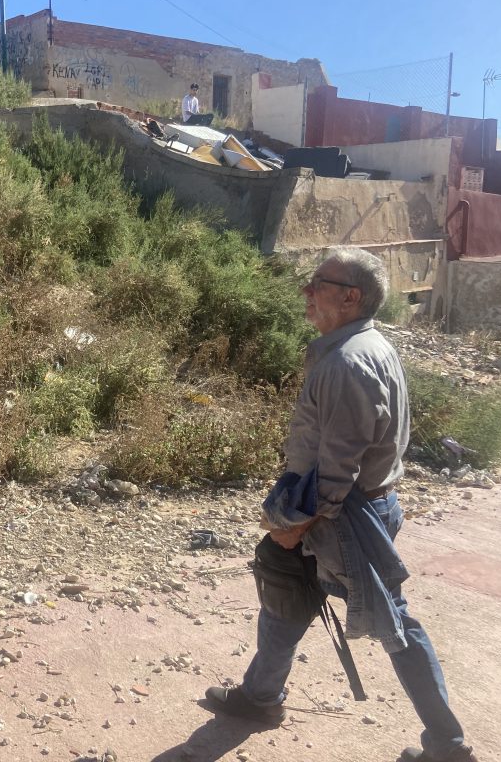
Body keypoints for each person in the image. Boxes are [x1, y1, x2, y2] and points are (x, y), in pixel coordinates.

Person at [205, 248, 477, 762]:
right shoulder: (362, 346)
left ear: (350, 296)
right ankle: (260, 697)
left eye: (317, 282)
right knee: (285, 595)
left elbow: (336, 473)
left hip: (341, 515)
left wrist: (295, 526)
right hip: (341, 507)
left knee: (394, 625)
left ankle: (449, 746)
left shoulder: (349, 362)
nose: (307, 291)